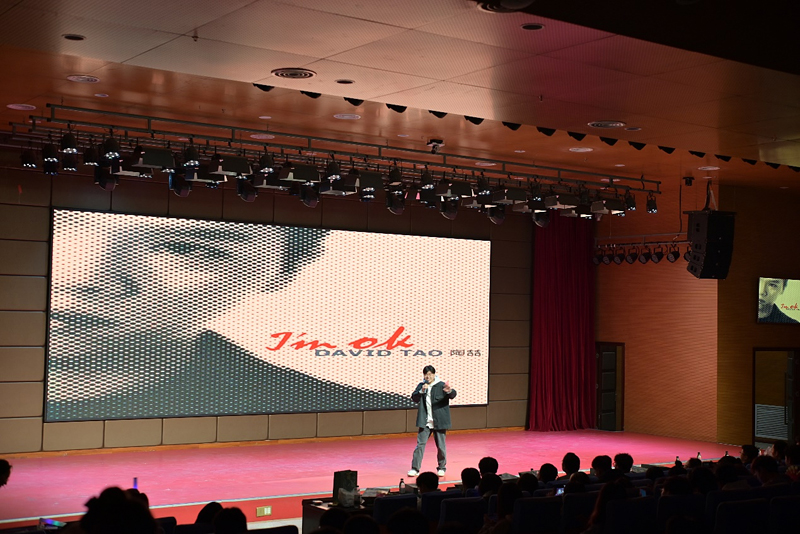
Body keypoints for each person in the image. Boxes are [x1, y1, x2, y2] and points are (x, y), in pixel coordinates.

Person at [46, 211, 412, 421]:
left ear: (281, 273)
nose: (77, 276)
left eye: (183, 249)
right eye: (62, 231)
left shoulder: (337, 403)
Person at [408, 365, 456, 478]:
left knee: (441, 446)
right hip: (425, 421)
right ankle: (415, 468)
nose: (428, 376)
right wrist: (421, 391)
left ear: (434, 374)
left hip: (439, 421)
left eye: (430, 374)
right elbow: (414, 398)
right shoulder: (421, 385)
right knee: (420, 445)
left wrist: (449, 391)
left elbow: (453, 394)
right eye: (426, 374)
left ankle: (441, 468)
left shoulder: (441, 385)